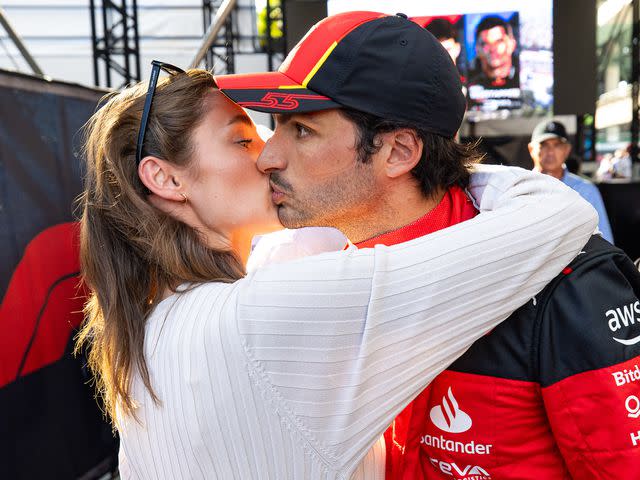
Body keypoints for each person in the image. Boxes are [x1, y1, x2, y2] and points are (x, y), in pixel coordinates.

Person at [216, 10, 640, 480]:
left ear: (398, 151)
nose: (269, 156)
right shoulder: (315, 275)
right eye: (275, 127)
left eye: (302, 130)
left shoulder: (567, 287)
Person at [529, 119, 614, 244]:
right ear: (531, 149)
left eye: (557, 145)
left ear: (567, 149)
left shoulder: (586, 190)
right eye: (544, 145)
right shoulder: (518, 187)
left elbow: (605, 242)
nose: (551, 152)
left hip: (577, 262)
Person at [469, 15, 518, 89]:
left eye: (498, 41)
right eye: (485, 43)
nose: (492, 49)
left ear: (512, 45)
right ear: (477, 49)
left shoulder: (524, 79)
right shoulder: (469, 85)